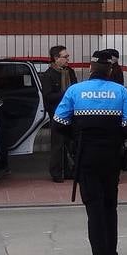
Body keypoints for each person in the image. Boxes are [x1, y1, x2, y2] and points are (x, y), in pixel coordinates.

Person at [53, 49, 127, 255]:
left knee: (94, 208)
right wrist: (113, 138)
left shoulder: (75, 91)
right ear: (110, 69)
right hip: (111, 157)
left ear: (90, 69)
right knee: (110, 206)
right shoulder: (120, 91)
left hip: (86, 155)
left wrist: (78, 137)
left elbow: (59, 122)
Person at [41, 45, 78, 183]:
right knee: (58, 143)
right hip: (57, 113)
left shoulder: (70, 72)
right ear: (56, 58)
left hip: (72, 113)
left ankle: (68, 171)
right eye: (65, 57)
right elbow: (48, 96)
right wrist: (66, 95)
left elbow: (75, 88)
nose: (68, 59)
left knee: (70, 142)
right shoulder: (48, 75)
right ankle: (56, 172)